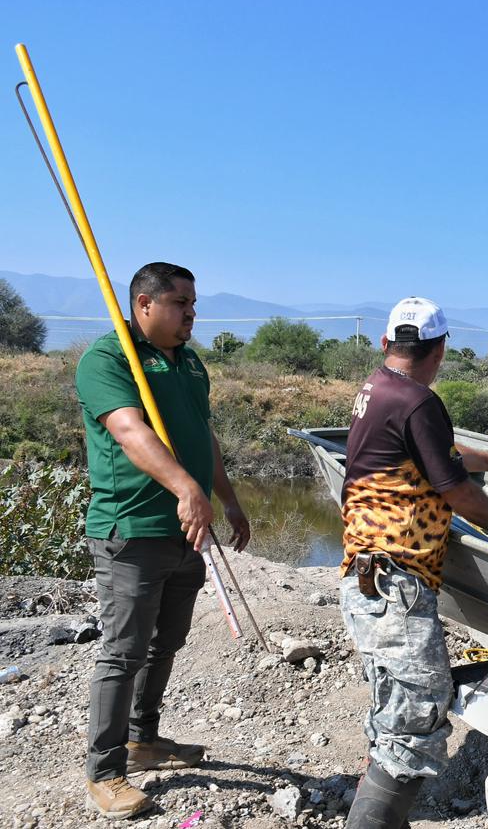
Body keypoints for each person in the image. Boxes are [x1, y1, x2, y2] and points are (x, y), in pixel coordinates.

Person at [341, 296, 488, 827]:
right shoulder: (418, 402)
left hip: (370, 574)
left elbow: (441, 453)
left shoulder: (379, 388)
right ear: (441, 348)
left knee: (397, 706)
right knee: (416, 714)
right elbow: (457, 489)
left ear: (386, 343)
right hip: (395, 580)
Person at [75, 262, 251, 819]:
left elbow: (202, 434)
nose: (191, 314)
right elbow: (130, 430)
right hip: (132, 528)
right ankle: (104, 772)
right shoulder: (108, 358)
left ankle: (142, 739)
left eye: (193, 304)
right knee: (123, 651)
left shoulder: (190, 362)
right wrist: (185, 488)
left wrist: (226, 498)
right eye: (180, 304)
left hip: (187, 529)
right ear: (144, 305)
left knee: (166, 641)